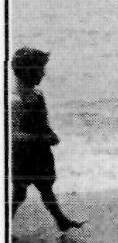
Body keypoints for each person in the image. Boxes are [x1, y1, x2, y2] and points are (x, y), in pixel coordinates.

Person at [10, 48, 85, 232]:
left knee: (45, 188)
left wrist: (50, 133)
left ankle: (62, 221)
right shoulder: (16, 101)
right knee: (19, 193)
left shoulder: (37, 94)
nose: (43, 74)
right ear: (27, 73)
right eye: (40, 70)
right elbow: (13, 135)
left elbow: (42, 122)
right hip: (23, 155)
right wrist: (41, 138)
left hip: (40, 152)